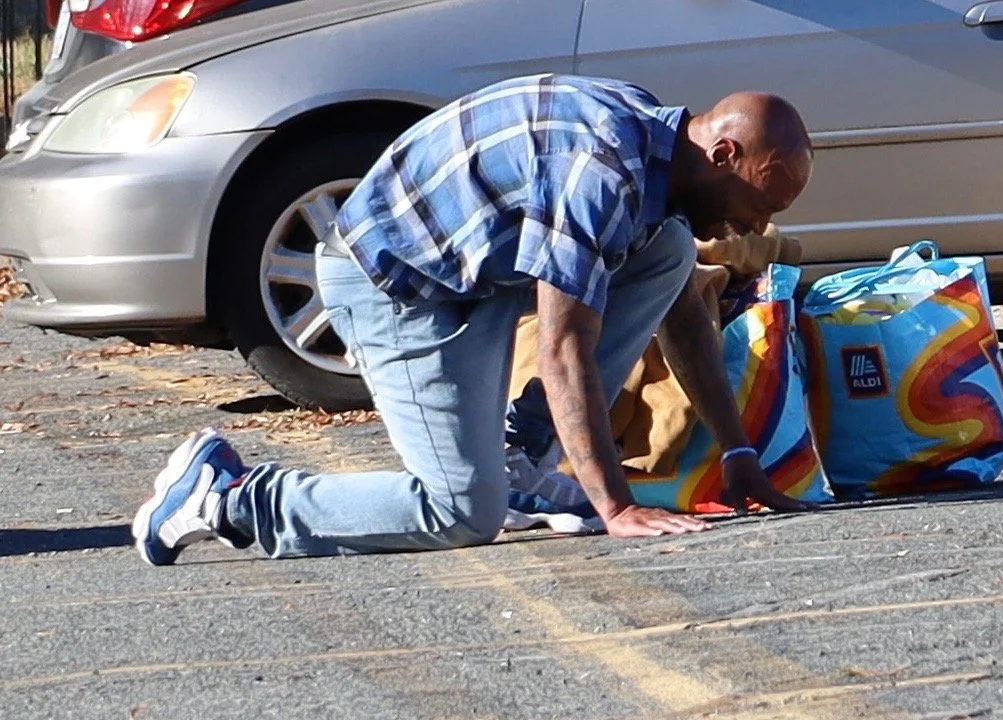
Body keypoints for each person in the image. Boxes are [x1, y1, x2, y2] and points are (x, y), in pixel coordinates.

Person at [133, 73, 815, 565]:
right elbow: (564, 345)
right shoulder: (602, 168)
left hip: (471, 280)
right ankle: (232, 496)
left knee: (667, 251)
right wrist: (615, 508)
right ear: (725, 155)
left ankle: (520, 456)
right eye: (762, 200)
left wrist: (738, 452)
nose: (759, 224)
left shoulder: (654, 144)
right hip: (392, 287)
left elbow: (685, 319)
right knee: (461, 512)